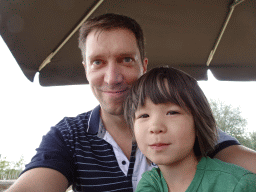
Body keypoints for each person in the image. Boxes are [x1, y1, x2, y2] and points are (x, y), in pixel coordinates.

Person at [6, 13, 256, 192]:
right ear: (85, 70)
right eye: (98, 62)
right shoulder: (69, 136)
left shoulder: (183, 129)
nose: (112, 78)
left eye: (125, 59)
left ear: (143, 65)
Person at [124, 66, 256, 192]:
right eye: (144, 115)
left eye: (172, 112)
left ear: (198, 122)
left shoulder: (238, 185)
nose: (155, 127)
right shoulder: (150, 183)